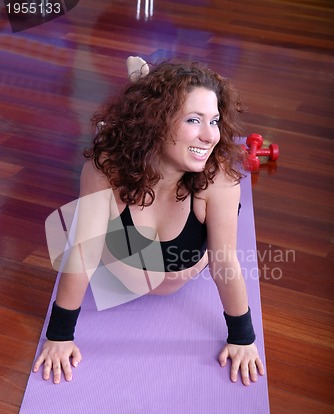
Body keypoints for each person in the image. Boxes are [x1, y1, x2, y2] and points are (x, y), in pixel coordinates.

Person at [33, 57, 265, 386]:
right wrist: (59, 335)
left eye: (213, 121)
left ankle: (143, 83)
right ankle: (141, 90)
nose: (209, 136)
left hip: (178, 273)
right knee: (100, 168)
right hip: (120, 267)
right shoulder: (108, 168)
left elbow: (224, 260)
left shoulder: (219, 180)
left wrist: (242, 337)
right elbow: (83, 253)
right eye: (194, 120)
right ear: (158, 120)